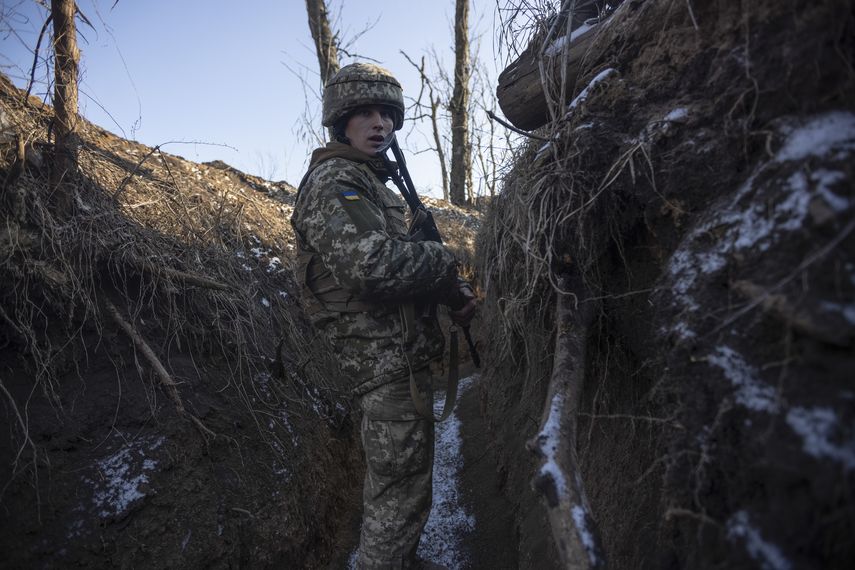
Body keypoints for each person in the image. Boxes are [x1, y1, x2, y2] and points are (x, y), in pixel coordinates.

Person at [290, 63, 476, 570]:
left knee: (407, 494)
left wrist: (448, 295)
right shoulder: (335, 181)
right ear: (342, 121)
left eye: (387, 115)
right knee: (397, 503)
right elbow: (369, 267)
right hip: (383, 367)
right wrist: (443, 259)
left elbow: (401, 277)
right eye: (366, 113)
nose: (380, 125)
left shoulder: (376, 188)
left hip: (402, 363)